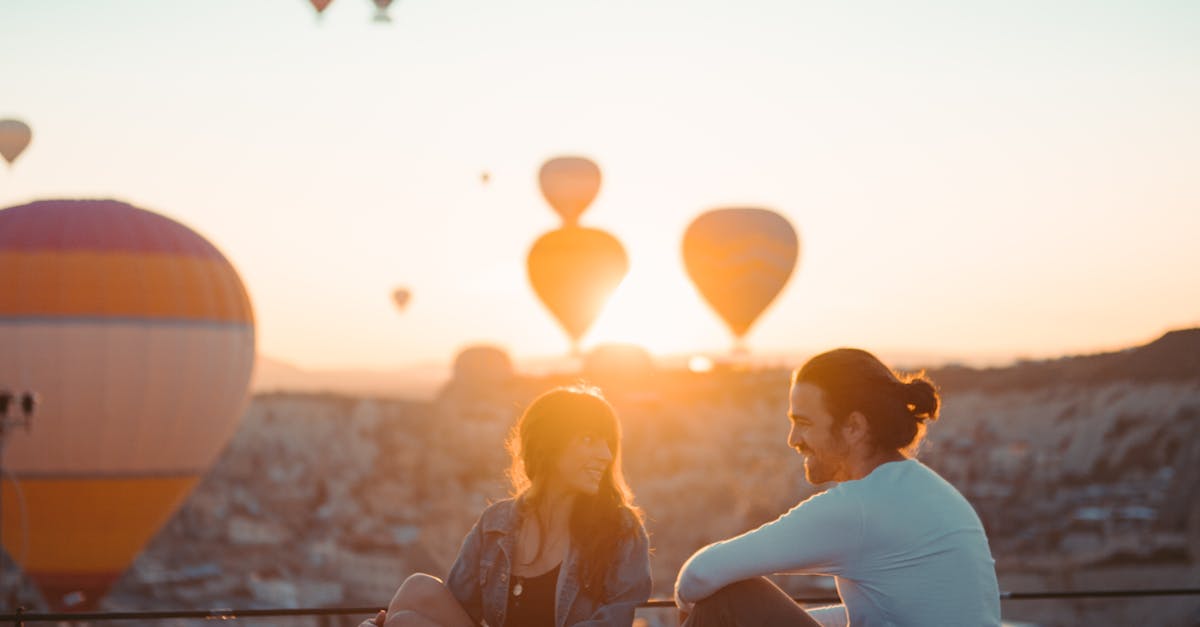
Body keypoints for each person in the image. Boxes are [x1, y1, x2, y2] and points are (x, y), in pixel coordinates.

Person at [674, 348, 1001, 627]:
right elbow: (879, 612)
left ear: (854, 427)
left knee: (730, 597)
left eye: (803, 423)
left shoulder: (858, 507)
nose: (793, 440)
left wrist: (693, 610)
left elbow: (699, 575)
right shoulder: (930, 491)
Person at [362, 385, 652, 627]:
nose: (605, 454)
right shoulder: (496, 522)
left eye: (608, 443)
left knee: (402, 624)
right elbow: (458, 609)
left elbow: (618, 619)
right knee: (416, 589)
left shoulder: (619, 529)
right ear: (547, 445)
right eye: (589, 440)